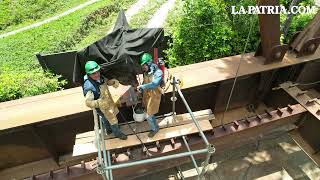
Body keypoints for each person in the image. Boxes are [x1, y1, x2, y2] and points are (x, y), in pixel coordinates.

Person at [82, 60, 127, 140]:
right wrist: (99, 102)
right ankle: (118, 133)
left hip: (109, 102)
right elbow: (88, 102)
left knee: (106, 118)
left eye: (97, 71)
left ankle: (109, 130)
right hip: (102, 107)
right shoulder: (89, 87)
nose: (96, 74)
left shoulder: (100, 77)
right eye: (93, 73)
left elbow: (105, 82)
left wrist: (112, 82)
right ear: (88, 74)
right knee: (113, 120)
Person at [137, 53, 163, 138]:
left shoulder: (158, 72)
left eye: (145, 65)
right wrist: (141, 90)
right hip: (147, 95)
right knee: (150, 113)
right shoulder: (146, 72)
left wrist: (143, 86)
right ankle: (154, 124)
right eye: (143, 65)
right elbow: (145, 81)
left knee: (148, 115)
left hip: (154, 96)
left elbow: (155, 84)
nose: (143, 67)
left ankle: (155, 129)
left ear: (149, 63)